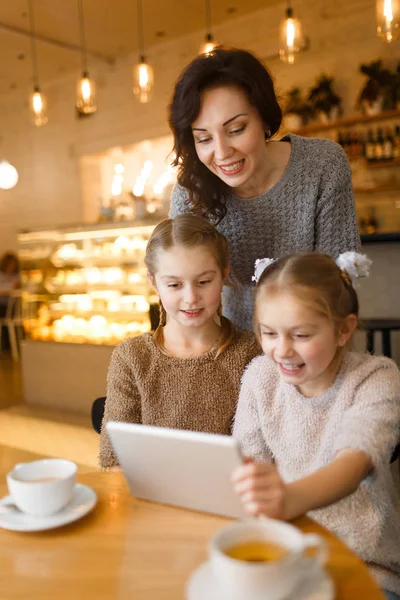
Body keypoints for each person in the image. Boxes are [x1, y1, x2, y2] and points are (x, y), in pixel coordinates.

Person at [231, 252, 400, 600]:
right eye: (269, 333)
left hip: (365, 564)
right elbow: (248, 465)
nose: (281, 350)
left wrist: (289, 499)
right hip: (283, 555)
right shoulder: (260, 377)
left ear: (343, 330)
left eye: (301, 335)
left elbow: (355, 463)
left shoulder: (377, 378)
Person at [169, 47, 361, 331]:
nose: (221, 153)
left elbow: (339, 284)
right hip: (226, 351)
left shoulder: (322, 166)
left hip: (310, 347)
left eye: (236, 129)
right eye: (204, 138)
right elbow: (183, 298)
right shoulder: (190, 194)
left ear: (265, 119)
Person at [99, 214, 261, 468]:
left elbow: (257, 454)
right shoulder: (132, 357)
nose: (191, 297)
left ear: (224, 275)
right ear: (154, 282)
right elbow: (113, 459)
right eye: (174, 285)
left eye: (204, 282)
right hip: (151, 499)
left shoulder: (251, 354)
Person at [0, 252, 20, 352]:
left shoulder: (17, 277)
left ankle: (8, 346)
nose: (12, 266)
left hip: (10, 306)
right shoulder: (1, 276)